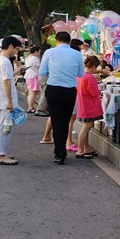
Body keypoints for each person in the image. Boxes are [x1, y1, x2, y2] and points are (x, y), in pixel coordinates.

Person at [39, 31, 84, 165]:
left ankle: (59, 153)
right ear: (69, 41)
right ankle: (62, 151)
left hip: (54, 89)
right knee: (65, 121)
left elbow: (42, 72)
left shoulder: (49, 53)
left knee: (56, 120)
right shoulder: (77, 54)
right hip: (70, 91)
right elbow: (81, 73)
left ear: (57, 41)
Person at [0, 36, 24, 165]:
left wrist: (15, 72)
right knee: (6, 128)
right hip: (5, 101)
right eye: (16, 49)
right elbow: (6, 82)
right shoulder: (4, 62)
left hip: (0, 100)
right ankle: (0, 155)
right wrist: (9, 101)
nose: (16, 52)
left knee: (0, 127)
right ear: (10, 46)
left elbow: (5, 77)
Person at [76, 55, 103, 158]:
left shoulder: (80, 75)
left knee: (86, 126)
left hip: (83, 104)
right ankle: (80, 150)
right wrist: (98, 89)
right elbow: (93, 92)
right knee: (86, 127)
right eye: (96, 67)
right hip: (89, 106)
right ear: (93, 66)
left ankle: (86, 148)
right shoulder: (89, 77)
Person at [24, 46, 41, 113]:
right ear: (36, 52)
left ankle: (30, 107)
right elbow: (38, 67)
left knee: (31, 93)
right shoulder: (34, 58)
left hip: (28, 75)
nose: (39, 53)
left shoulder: (28, 57)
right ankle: (31, 108)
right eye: (39, 52)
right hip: (33, 76)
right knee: (32, 93)